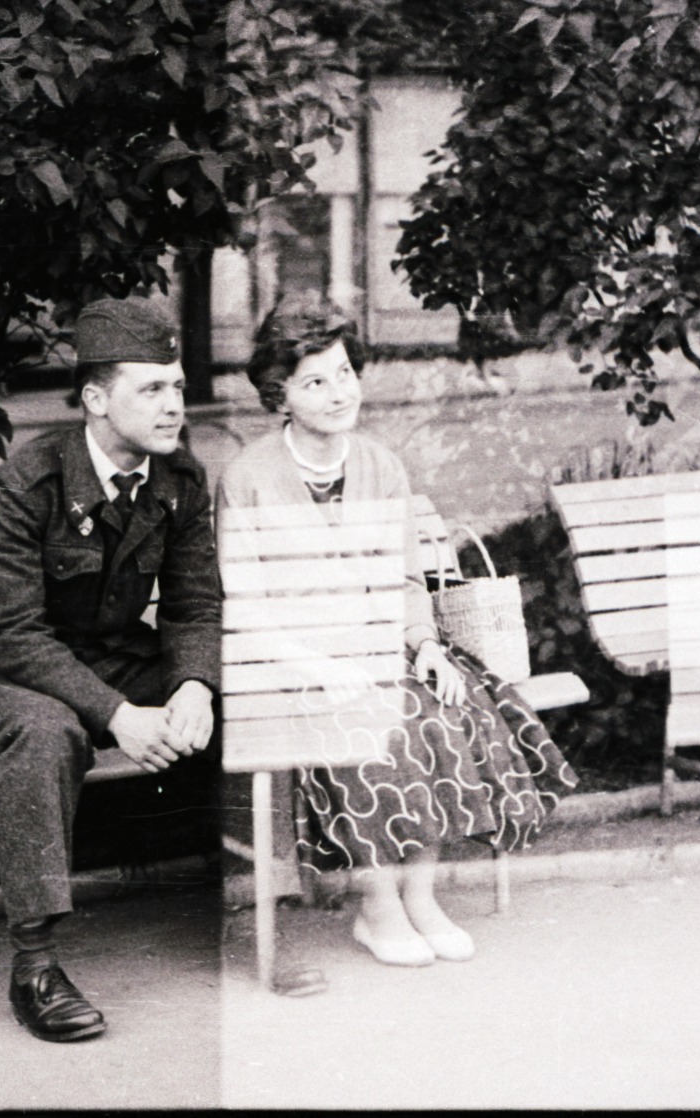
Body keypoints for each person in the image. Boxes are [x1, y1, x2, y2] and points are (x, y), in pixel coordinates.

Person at [215, 293, 578, 974]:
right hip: (294, 666)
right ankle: (376, 906)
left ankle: (421, 896)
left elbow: (410, 582)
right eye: (314, 381)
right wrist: (316, 666)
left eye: (345, 373)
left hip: (382, 652)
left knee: (436, 708)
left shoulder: (381, 466)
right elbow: (247, 604)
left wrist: (429, 647)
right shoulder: (248, 479)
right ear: (281, 393)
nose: (336, 392)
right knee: (366, 719)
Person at [0, 295, 221, 1041]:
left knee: (242, 699)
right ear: (96, 400)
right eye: (151, 388)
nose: (172, 405)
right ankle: (33, 966)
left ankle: (266, 903)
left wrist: (193, 685)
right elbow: (13, 634)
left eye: (178, 387)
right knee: (46, 729)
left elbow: (192, 606)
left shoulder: (180, 482)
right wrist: (119, 715)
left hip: (108, 661)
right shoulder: (25, 485)